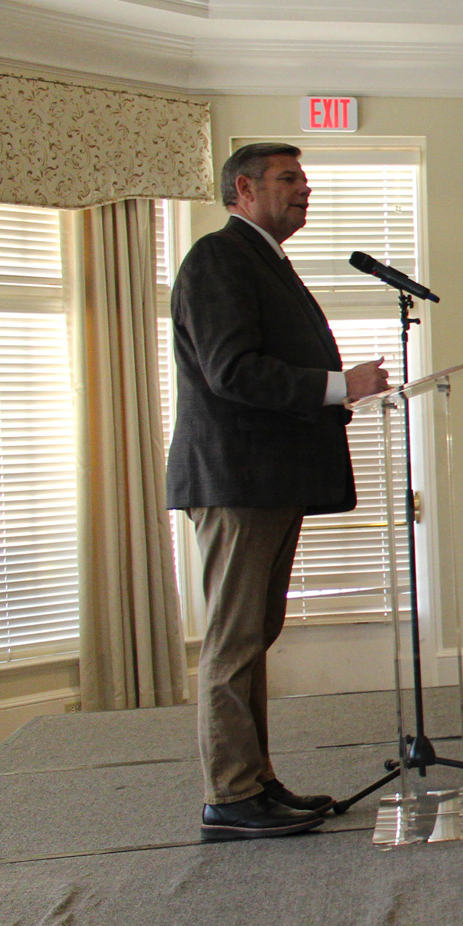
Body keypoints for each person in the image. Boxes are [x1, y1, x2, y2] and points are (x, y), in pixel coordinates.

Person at [168, 142, 389, 840]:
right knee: (234, 640)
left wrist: (337, 394)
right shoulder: (218, 257)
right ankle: (230, 795)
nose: (305, 189)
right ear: (243, 189)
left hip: (266, 478)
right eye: (289, 178)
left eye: (304, 178)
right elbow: (231, 370)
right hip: (238, 478)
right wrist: (337, 385)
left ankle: (255, 781)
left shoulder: (262, 259)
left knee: (255, 634)